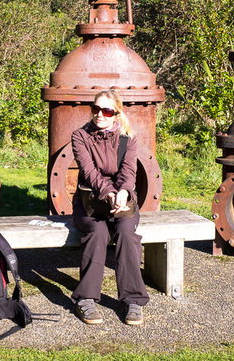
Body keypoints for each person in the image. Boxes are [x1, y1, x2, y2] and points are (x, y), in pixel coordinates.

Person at [70, 89, 149, 326]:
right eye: (95, 109)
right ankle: (86, 299)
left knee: (126, 232)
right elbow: (90, 173)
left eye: (106, 110)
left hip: (122, 201)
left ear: (116, 114)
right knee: (98, 232)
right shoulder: (80, 136)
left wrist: (123, 192)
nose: (100, 115)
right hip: (91, 204)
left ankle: (133, 300)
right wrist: (110, 194)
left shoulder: (129, 139)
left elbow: (129, 172)